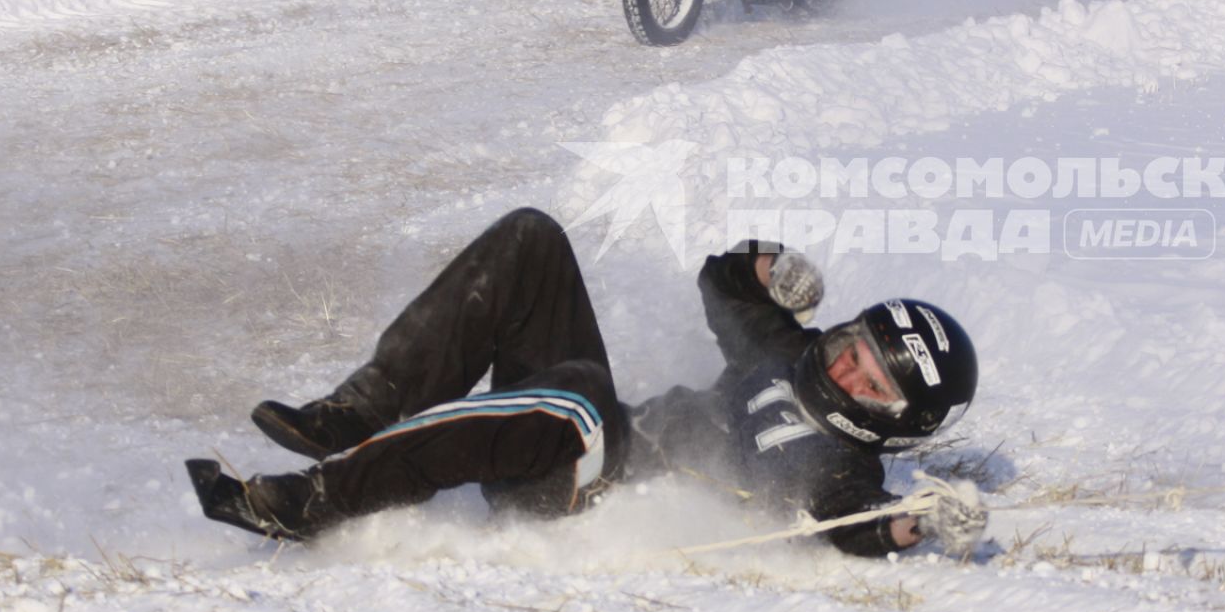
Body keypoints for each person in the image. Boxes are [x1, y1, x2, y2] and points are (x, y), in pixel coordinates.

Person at [185, 208, 982, 558]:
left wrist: (916, 523)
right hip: (579, 438)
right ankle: (355, 412)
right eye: (853, 344)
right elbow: (724, 286)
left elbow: (852, 527)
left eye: (870, 381)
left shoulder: (843, 469)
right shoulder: (785, 355)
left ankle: (313, 502)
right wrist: (766, 264)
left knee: (579, 392)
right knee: (534, 239)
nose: (843, 367)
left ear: (895, 424)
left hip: (591, 493)